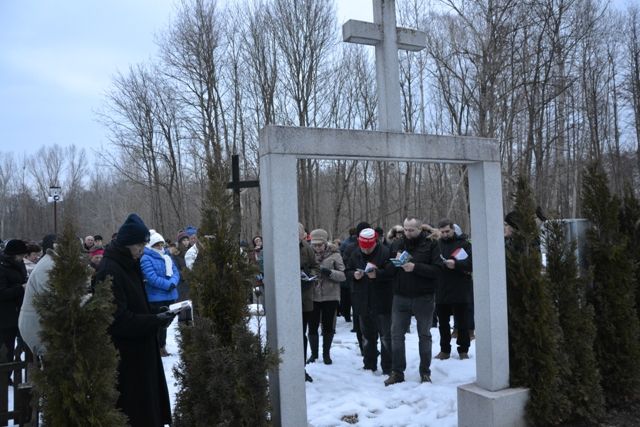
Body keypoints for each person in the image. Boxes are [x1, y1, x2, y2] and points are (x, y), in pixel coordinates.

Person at [95, 213, 173, 426]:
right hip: (127, 359)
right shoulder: (110, 270)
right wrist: (154, 321)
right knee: (136, 413)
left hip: (141, 352)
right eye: (139, 245)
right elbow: (118, 320)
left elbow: (136, 302)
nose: (142, 251)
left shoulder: (129, 263)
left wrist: (157, 314)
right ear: (127, 243)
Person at [385, 216, 442, 386]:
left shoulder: (431, 244)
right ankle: (397, 372)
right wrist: (395, 263)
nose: (407, 233)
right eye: (405, 229)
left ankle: (425, 372)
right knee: (396, 335)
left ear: (420, 229)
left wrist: (415, 267)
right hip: (400, 296)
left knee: (424, 335)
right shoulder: (397, 243)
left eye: (411, 230)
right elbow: (388, 269)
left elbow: (438, 270)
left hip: (423, 297)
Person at [345, 228, 395, 375]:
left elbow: (392, 272)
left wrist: (378, 274)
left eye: (369, 247)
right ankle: (369, 364)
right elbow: (347, 271)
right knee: (367, 336)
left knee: (386, 336)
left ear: (375, 242)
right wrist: (354, 275)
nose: (366, 250)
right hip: (362, 300)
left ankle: (388, 366)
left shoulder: (385, 252)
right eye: (363, 247)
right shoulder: (355, 253)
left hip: (382, 300)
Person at [435, 219, 473, 360]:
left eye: (447, 231)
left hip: (460, 288)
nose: (445, 234)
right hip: (441, 288)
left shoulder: (464, 244)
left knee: (462, 322)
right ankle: (444, 350)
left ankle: (463, 350)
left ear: (453, 229)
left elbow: (471, 263)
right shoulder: (436, 245)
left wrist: (456, 264)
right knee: (443, 323)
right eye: (442, 232)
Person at [307, 229, 345, 365]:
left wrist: (329, 272)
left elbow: (343, 275)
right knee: (312, 326)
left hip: (330, 296)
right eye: (314, 245)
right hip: (313, 296)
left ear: (325, 243)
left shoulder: (335, 255)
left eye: (320, 245)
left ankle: (326, 354)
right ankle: (314, 354)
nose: (317, 248)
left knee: (328, 326)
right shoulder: (308, 254)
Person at [140, 230, 180, 357]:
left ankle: (162, 346)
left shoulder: (167, 256)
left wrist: (173, 282)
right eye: (157, 244)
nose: (160, 247)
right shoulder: (146, 258)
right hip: (156, 297)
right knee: (157, 324)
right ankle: (156, 348)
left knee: (165, 324)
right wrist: (168, 285)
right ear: (151, 245)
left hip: (170, 295)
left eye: (161, 244)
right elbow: (151, 277)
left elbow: (175, 272)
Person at [19, 234, 57, 357]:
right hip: (38, 325)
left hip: (43, 323)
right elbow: (50, 298)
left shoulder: (53, 263)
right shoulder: (48, 265)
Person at [0, 239, 28, 368]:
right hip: (5, 316)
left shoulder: (19, 264)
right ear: (13, 255)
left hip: (18, 311)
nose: (23, 258)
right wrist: (21, 288)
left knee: (14, 349)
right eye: (21, 255)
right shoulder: (2, 267)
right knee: (6, 349)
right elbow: (2, 292)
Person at [298, 223, 319, 382]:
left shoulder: (307, 248)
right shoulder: (279, 247)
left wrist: (309, 274)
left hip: (304, 296)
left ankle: (301, 368)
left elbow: (316, 267)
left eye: (300, 235)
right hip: (285, 300)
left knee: (301, 334)